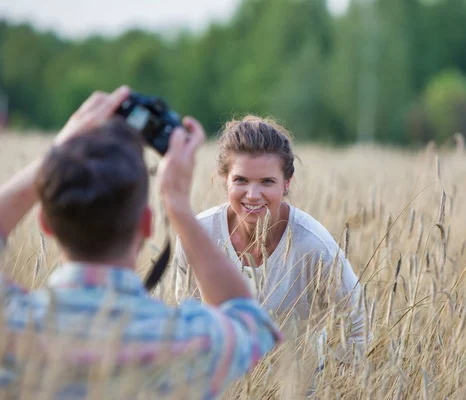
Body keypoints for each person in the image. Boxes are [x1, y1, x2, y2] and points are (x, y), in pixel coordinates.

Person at [0, 87, 280, 398]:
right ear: (146, 224)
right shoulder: (186, 341)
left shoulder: (11, 325)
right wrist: (177, 204)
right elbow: (249, 320)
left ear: (45, 223)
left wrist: (58, 154)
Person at [173, 115, 366, 364]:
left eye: (267, 182)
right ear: (225, 180)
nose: (253, 195)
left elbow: (358, 322)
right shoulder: (197, 237)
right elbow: (186, 322)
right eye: (241, 180)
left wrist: (334, 378)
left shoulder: (314, 245)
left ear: (287, 183)